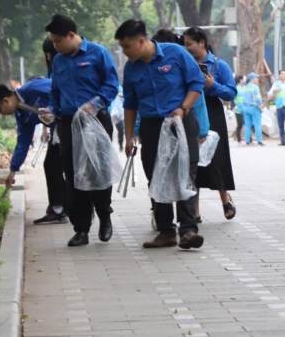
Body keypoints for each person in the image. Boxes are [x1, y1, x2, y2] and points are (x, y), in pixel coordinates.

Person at [117, 19, 205, 250]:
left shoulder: (175, 53)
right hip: (152, 126)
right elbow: (130, 104)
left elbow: (196, 83)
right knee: (156, 176)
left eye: (126, 47)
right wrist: (129, 137)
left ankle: (188, 230)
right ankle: (166, 231)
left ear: (142, 41)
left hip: (181, 121)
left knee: (185, 173)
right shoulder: (131, 68)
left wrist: (183, 109)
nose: (124, 52)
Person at [42, 14, 120, 247]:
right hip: (68, 124)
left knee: (98, 171)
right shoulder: (58, 61)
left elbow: (111, 85)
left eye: (58, 41)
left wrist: (93, 104)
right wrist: (51, 110)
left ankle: (105, 216)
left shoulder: (98, 53)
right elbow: (55, 92)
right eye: (53, 42)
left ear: (72, 35)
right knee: (73, 175)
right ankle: (81, 228)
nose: (55, 46)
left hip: (96, 121)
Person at [0, 48, 67, 225]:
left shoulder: (33, 88)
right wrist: (12, 170)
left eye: (0, 109)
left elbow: (61, 89)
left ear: (6, 100)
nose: (3, 114)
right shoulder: (21, 115)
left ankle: (67, 205)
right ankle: (58, 208)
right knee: (51, 164)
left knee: (66, 167)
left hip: (71, 124)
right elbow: (23, 142)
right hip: (58, 132)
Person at [183, 26, 238, 222]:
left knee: (217, 160)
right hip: (193, 113)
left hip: (214, 114)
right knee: (194, 161)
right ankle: (195, 210)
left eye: (189, 44)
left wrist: (212, 85)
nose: (187, 48)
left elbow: (231, 93)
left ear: (202, 43)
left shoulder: (219, 65)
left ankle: (225, 197)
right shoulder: (185, 63)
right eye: (184, 44)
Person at [238, 74, 264, 146]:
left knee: (247, 125)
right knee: (257, 125)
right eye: (256, 78)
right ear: (252, 79)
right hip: (254, 108)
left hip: (245, 108)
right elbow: (258, 99)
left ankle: (247, 141)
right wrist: (260, 106)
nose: (257, 79)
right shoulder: (255, 87)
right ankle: (259, 141)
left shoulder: (245, 87)